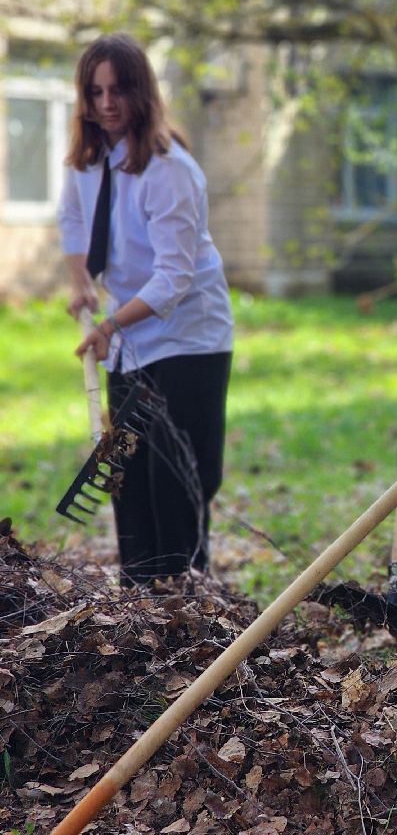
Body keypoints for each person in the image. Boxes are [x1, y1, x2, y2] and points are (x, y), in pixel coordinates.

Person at [58, 33, 234, 586]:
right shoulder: (88, 162)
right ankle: (140, 605)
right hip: (130, 339)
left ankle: (186, 601)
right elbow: (71, 222)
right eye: (95, 91)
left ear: (142, 92)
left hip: (190, 339)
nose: (106, 103)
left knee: (175, 481)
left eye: (118, 90)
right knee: (127, 475)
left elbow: (174, 278)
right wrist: (81, 282)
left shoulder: (169, 170)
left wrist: (110, 322)